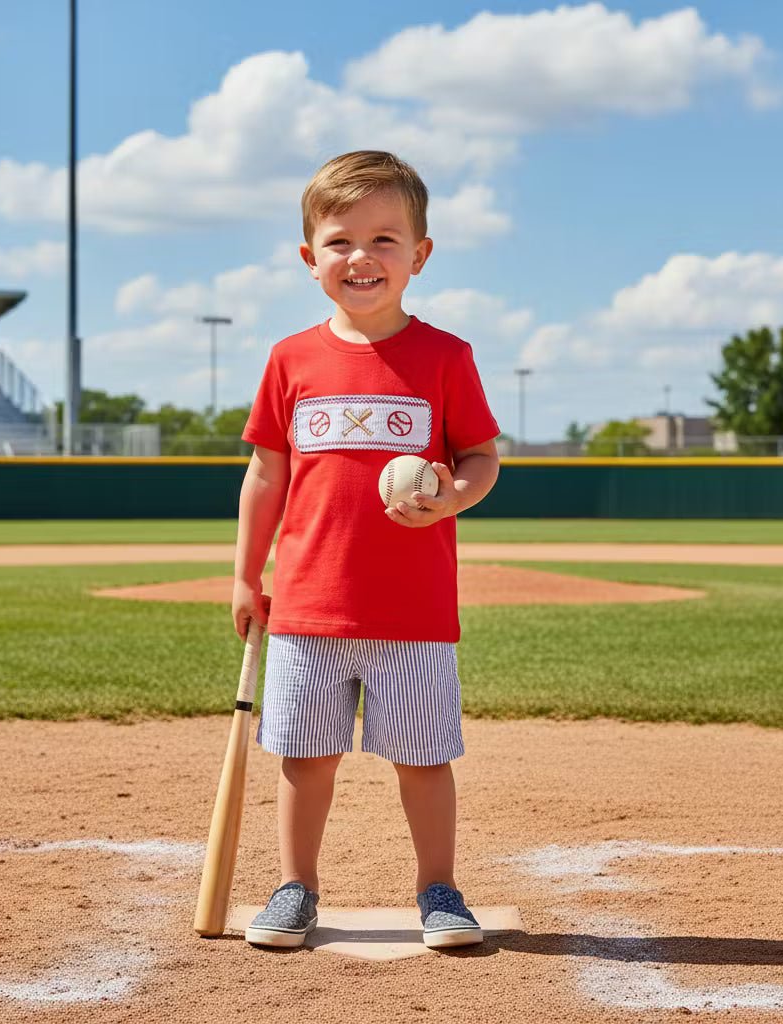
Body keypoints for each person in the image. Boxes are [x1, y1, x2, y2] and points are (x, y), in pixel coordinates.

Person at [232, 150, 500, 950]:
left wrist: (455, 496)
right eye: (342, 240)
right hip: (310, 607)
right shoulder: (290, 358)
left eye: (386, 240)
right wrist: (247, 576)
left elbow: (483, 456)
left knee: (422, 760)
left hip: (414, 612)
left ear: (419, 255)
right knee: (306, 759)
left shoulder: (446, 357)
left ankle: (439, 890)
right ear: (310, 257)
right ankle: (295, 887)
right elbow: (264, 473)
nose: (363, 257)